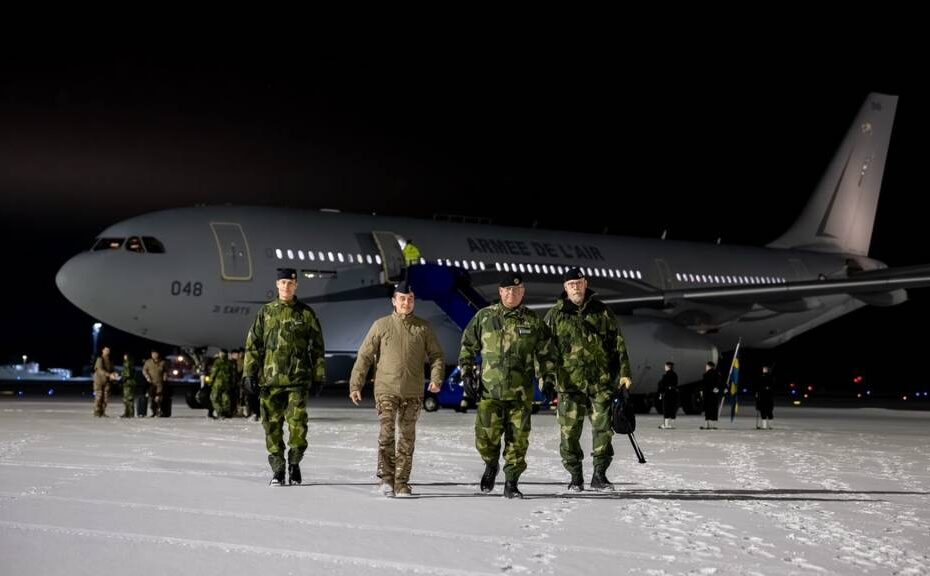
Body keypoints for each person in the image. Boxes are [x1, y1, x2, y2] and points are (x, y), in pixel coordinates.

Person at [458, 273, 558, 499]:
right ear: (500, 292)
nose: (511, 294)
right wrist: (466, 373)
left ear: (522, 292)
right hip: (489, 392)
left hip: (520, 394)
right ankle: (491, 464)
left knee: (518, 440)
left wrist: (548, 379)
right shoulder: (484, 317)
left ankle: (511, 482)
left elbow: (547, 355)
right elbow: (467, 346)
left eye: (516, 290)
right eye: (507, 290)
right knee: (485, 439)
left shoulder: (533, 322)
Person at [349, 281, 445, 497]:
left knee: (407, 438)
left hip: (412, 392)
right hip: (386, 389)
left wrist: (436, 378)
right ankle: (386, 479)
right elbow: (364, 355)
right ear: (394, 301)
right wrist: (356, 384)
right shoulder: (381, 326)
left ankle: (402, 482)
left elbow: (437, 356)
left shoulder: (423, 328)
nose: (406, 303)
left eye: (410, 299)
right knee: (386, 434)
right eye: (402, 298)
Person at [543, 267, 632, 492]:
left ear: (585, 284)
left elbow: (618, 344)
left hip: (600, 384)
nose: (575, 288)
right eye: (571, 284)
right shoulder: (555, 315)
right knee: (569, 433)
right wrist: (545, 379)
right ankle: (575, 476)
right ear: (565, 288)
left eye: (579, 283)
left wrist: (624, 374)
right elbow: (543, 351)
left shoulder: (601, 312)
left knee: (604, 430)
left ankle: (599, 475)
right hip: (569, 385)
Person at [243, 268, 326, 486]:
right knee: (272, 427)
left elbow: (317, 348)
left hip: (297, 381)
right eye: (282, 283)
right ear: (277, 285)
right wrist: (248, 373)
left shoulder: (306, 314)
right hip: (270, 382)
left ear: (295, 285)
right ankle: (278, 470)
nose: (286, 287)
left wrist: (318, 376)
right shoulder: (266, 312)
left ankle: (294, 464)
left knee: (298, 425)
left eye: (290, 283)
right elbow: (253, 345)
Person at [209, 349, 237, 419]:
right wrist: (233, 383)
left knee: (214, 398)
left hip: (218, 383)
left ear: (221, 354)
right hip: (227, 384)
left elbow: (213, 372)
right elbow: (233, 375)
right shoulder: (230, 363)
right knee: (225, 398)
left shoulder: (218, 362)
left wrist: (210, 381)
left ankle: (220, 412)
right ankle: (226, 412)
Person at [93, 346, 118, 417]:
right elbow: (100, 370)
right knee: (99, 396)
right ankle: (97, 412)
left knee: (106, 397)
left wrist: (114, 374)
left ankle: (103, 412)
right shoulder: (100, 359)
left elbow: (112, 369)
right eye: (106, 350)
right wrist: (109, 375)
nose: (107, 351)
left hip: (107, 381)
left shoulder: (110, 360)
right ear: (102, 351)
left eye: (108, 350)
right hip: (99, 381)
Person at [142, 350, 168, 417]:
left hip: (160, 383)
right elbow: (144, 370)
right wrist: (147, 377)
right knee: (152, 398)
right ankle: (153, 411)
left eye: (155, 354)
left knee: (158, 398)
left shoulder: (163, 362)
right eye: (152, 354)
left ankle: (159, 411)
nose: (154, 355)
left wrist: (165, 376)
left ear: (158, 354)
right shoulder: (148, 362)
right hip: (151, 383)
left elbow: (166, 371)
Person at [700, 361, 722, 430]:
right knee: (714, 409)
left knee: (708, 410)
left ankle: (707, 425)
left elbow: (704, 385)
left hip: (707, 394)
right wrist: (718, 389)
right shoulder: (718, 374)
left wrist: (702, 392)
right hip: (715, 395)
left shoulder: (706, 374)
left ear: (709, 366)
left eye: (706, 366)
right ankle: (714, 425)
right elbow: (719, 383)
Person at [657, 361, 678, 429]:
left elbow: (662, 385)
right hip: (673, 393)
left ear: (668, 367)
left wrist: (660, 392)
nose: (665, 367)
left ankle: (666, 424)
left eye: (665, 366)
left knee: (666, 408)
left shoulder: (666, 375)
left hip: (667, 393)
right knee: (672, 408)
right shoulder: (675, 375)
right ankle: (671, 424)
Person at [120, 353, 138, 418]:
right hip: (131, 383)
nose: (124, 357)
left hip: (128, 383)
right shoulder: (131, 364)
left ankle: (128, 413)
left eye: (125, 356)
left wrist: (122, 379)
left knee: (127, 399)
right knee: (129, 398)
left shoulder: (127, 364)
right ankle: (128, 413)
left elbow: (127, 374)